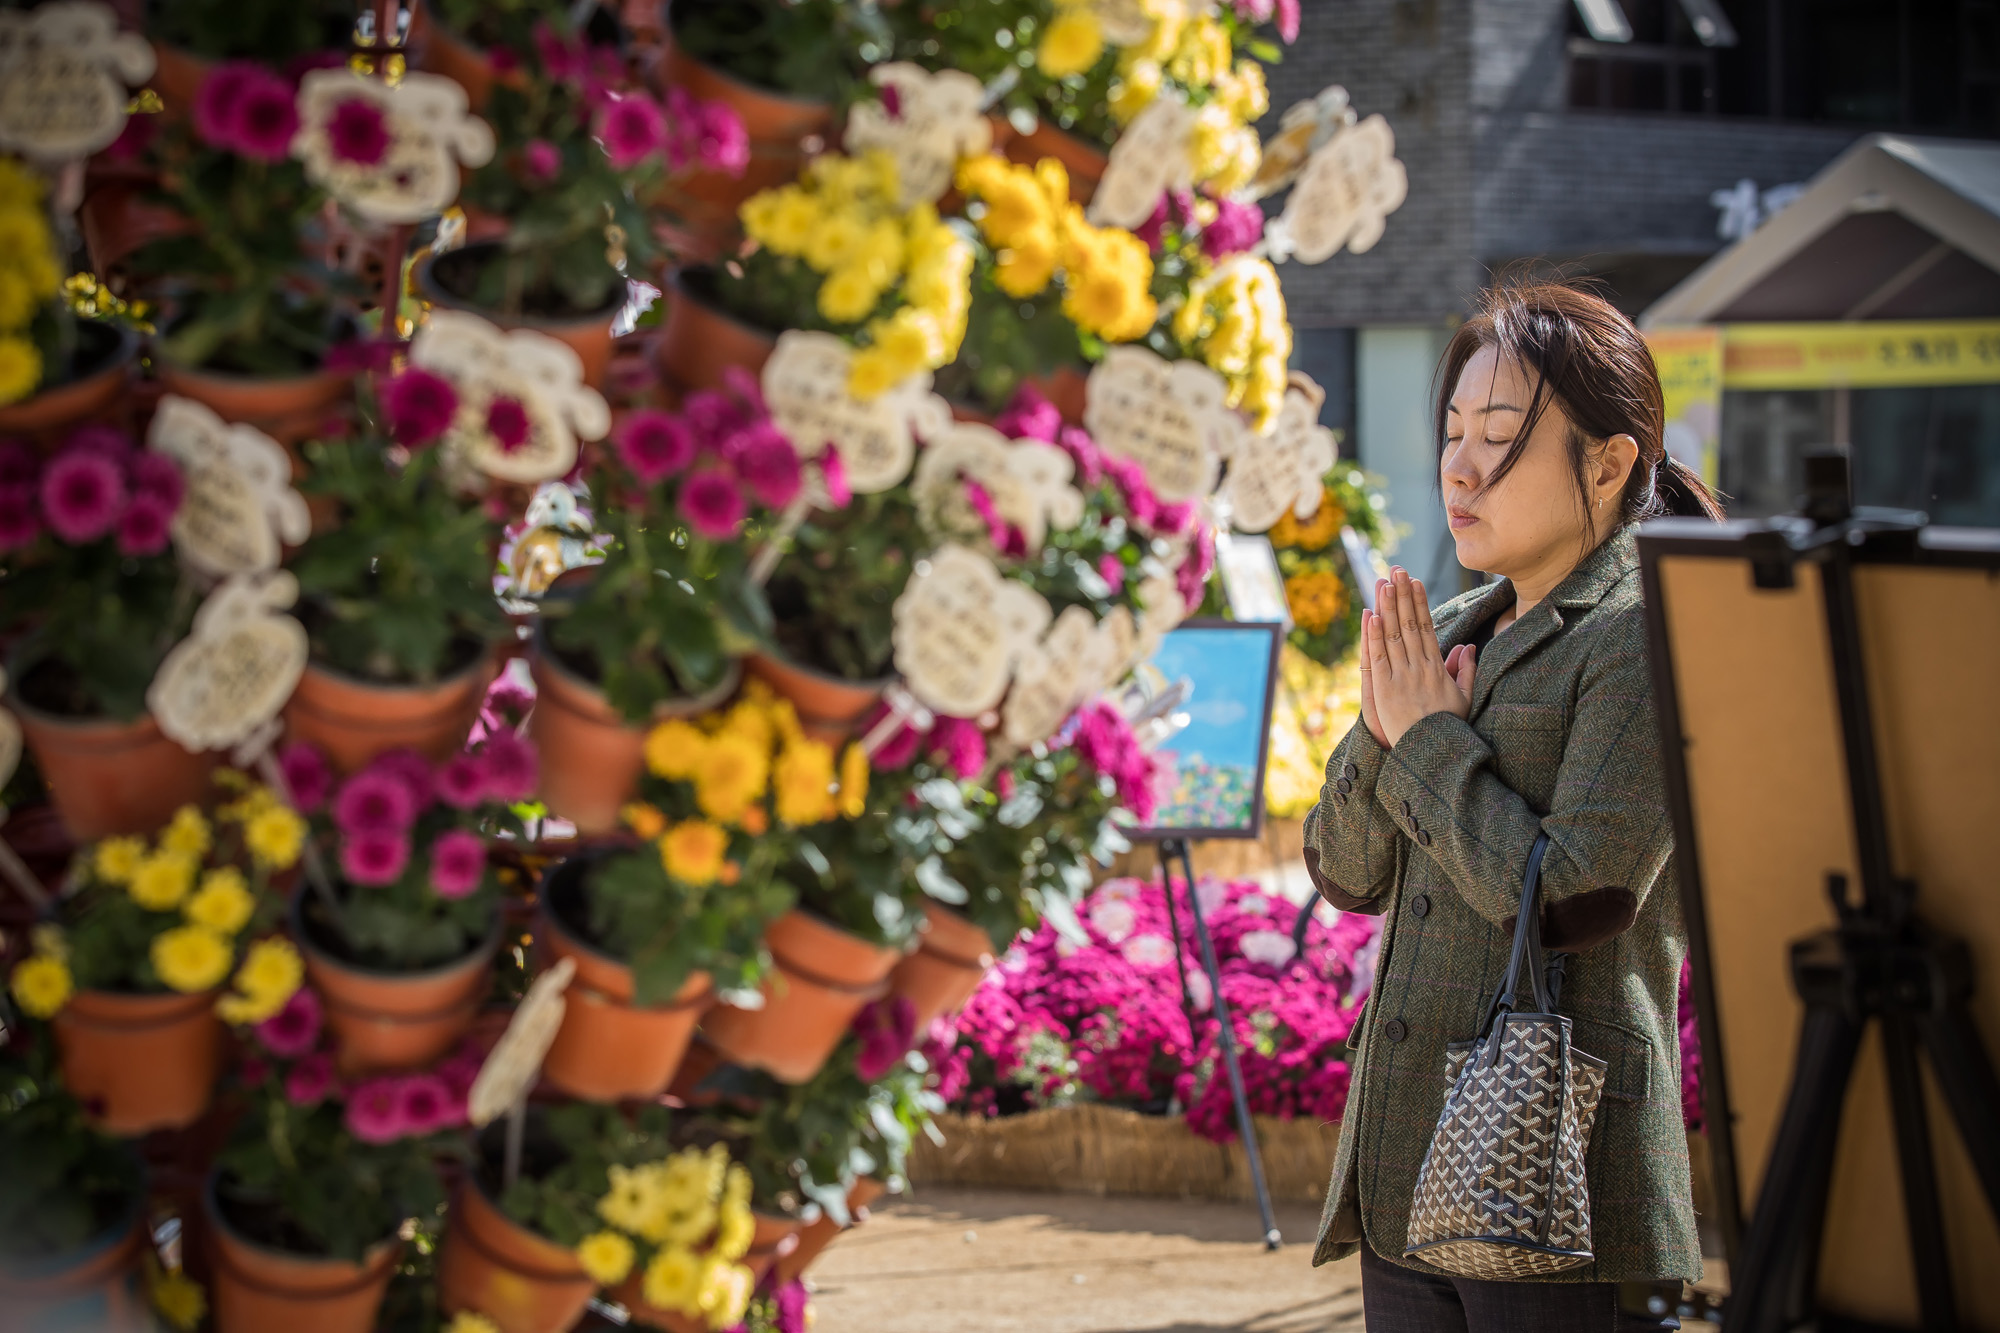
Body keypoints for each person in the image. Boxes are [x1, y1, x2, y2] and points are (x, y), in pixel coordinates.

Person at [1301, 278, 1724, 1332]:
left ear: (1609, 461)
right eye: (1451, 430)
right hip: (1407, 1162)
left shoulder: (1639, 631)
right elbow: (1341, 871)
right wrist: (1384, 725)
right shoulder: (1450, 621)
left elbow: (1580, 897)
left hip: (1562, 1171)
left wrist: (1428, 738)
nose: (1458, 464)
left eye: (1498, 435)